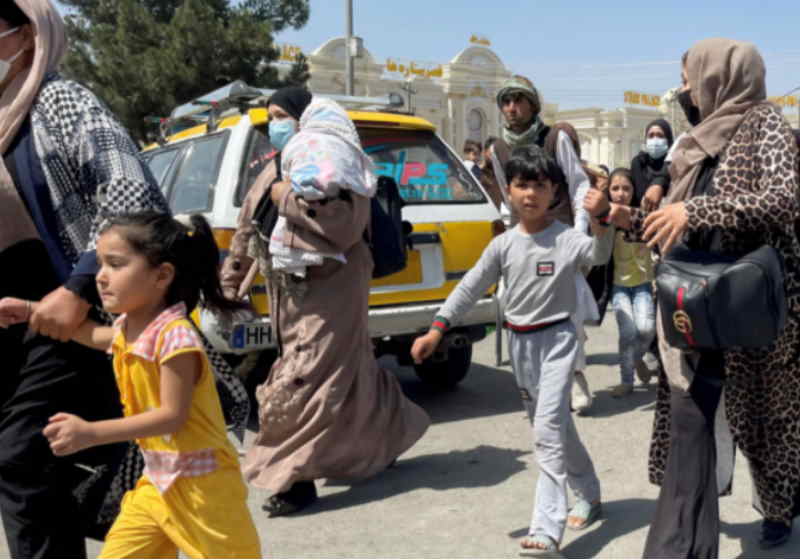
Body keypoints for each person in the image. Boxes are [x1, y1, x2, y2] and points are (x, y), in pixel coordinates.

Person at [585, 38, 800, 556]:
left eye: (689, 78)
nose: (684, 89)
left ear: (718, 76)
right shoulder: (696, 141)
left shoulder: (765, 123)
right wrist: (626, 218)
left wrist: (696, 212)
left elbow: (782, 200)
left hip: (754, 305)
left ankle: (778, 508)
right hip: (696, 303)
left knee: (765, 417)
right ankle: (688, 527)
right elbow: (676, 223)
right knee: (694, 418)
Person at [0, 2, 175, 557]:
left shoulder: (58, 101)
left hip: (65, 320)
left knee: (22, 455)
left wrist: (78, 286)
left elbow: (134, 194)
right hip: (13, 321)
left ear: (26, 36)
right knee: (36, 469)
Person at [0, 213, 262, 558]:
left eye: (115, 264)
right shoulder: (130, 329)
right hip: (157, 484)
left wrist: (91, 432)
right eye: (100, 264)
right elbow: (92, 335)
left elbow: (171, 416)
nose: (101, 276)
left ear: (162, 275)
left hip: (204, 488)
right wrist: (31, 309)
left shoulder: (176, 338)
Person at [236, 90, 430, 516]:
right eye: (270, 117)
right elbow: (248, 225)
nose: (274, 125)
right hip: (289, 292)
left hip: (334, 286)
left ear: (303, 117)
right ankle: (390, 436)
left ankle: (294, 478)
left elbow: (342, 228)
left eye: (281, 115)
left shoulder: (335, 166)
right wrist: (230, 282)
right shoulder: (275, 169)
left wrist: (286, 197)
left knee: (304, 377)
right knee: (352, 370)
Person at [412, 147, 612, 556]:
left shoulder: (566, 238)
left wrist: (600, 219)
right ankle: (589, 492)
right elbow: (470, 286)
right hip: (521, 346)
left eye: (540, 185)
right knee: (555, 426)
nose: (530, 194)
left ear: (554, 192)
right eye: (522, 185)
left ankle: (546, 528)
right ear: (509, 191)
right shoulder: (502, 245)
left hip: (558, 341)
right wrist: (437, 328)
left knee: (547, 432)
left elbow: (598, 254)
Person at [493, 76, 599, 414]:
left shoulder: (555, 138)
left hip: (560, 235)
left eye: (518, 100)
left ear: (533, 104)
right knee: (520, 309)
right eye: (506, 101)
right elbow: (505, 197)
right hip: (523, 239)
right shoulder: (498, 149)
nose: (512, 108)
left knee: (569, 310)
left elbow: (579, 185)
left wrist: (579, 232)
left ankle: (576, 375)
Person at [604, 168, 656, 397]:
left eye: (626, 188)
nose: (620, 193)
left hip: (643, 284)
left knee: (646, 329)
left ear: (634, 191)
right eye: (615, 188)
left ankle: (636, 359)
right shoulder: (605, 221)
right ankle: (627, 382)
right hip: (619, 287)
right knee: (627, 333)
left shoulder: (642, 218)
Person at [630, 119, 674, 211]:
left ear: (669, 140)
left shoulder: (675, 163)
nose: (655, 139)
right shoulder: (639, 163)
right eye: (651, 136)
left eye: (660, 135)